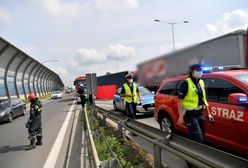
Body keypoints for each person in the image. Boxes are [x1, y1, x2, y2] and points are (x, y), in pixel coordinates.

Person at [177, 64, 214, 143]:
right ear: (191, 72)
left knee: (202, 137)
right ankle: (196, 154)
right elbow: (180, 101)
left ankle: (196, 151)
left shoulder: (201, 82)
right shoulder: (186, 83)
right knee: (198, 139)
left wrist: (209, 113)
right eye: (197, 70)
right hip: (190, 115)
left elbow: (204, 99)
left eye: (200, 70)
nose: (199, 72)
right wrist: (181, 116)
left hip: (200, 113)